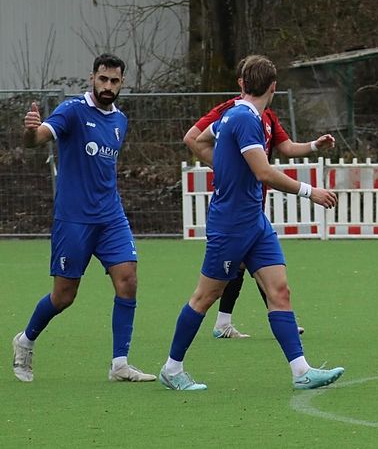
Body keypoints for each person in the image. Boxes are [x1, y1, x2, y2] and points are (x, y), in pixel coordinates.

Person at [159, 55, 344, 390]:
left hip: (255, 221)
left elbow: (199, 139)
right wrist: (310, 191)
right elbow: (264, 172)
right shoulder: (245, 118)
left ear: (242, 83)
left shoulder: (233, 113)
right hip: (230, 224)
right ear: (273, 87)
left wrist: (226, 166)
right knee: (204, 297)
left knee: (279, 290)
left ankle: (301, 371)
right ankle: (172, 369)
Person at [12, 54, 155, 383]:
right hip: (74, 219)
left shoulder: (120, 121)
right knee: (64, 296)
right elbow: (38, 138)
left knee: (128, 280)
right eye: (103, 79)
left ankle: (120, 364)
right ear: (92, 78)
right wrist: (30, 132)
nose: (108, 86)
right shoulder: (72, 110)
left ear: (122, 83)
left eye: (114, 81)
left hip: (111, 217)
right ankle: (26, 340)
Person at [183, 56, 335, 338]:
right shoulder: (233, 112)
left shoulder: (266, 116)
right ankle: (217, 330)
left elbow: (286, 147)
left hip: (254, 204)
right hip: (234, 208)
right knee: (219, 284)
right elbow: (192, 137)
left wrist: (315, 145)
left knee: (260, 271)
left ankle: (260, 324)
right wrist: (227, 167)